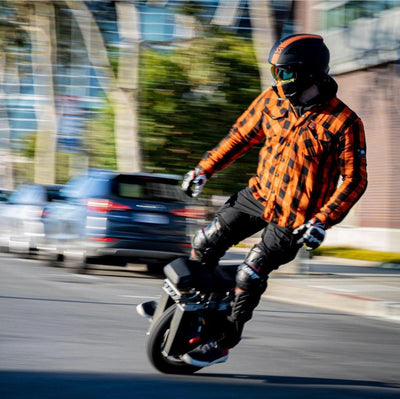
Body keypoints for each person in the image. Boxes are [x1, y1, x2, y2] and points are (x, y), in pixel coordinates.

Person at [180, 33, 368, 368]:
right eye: (274, 73)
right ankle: (187, 312)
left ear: (307, 72)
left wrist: (322, 221)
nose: (276, 81)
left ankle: (222, 342)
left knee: (249, 272)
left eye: (282, 73)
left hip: (297, 216)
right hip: (259, 195)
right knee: (203, 242)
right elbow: (239, 136)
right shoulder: (271, 101)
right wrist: (204, 169)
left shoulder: (344, 122)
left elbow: (354, 180)